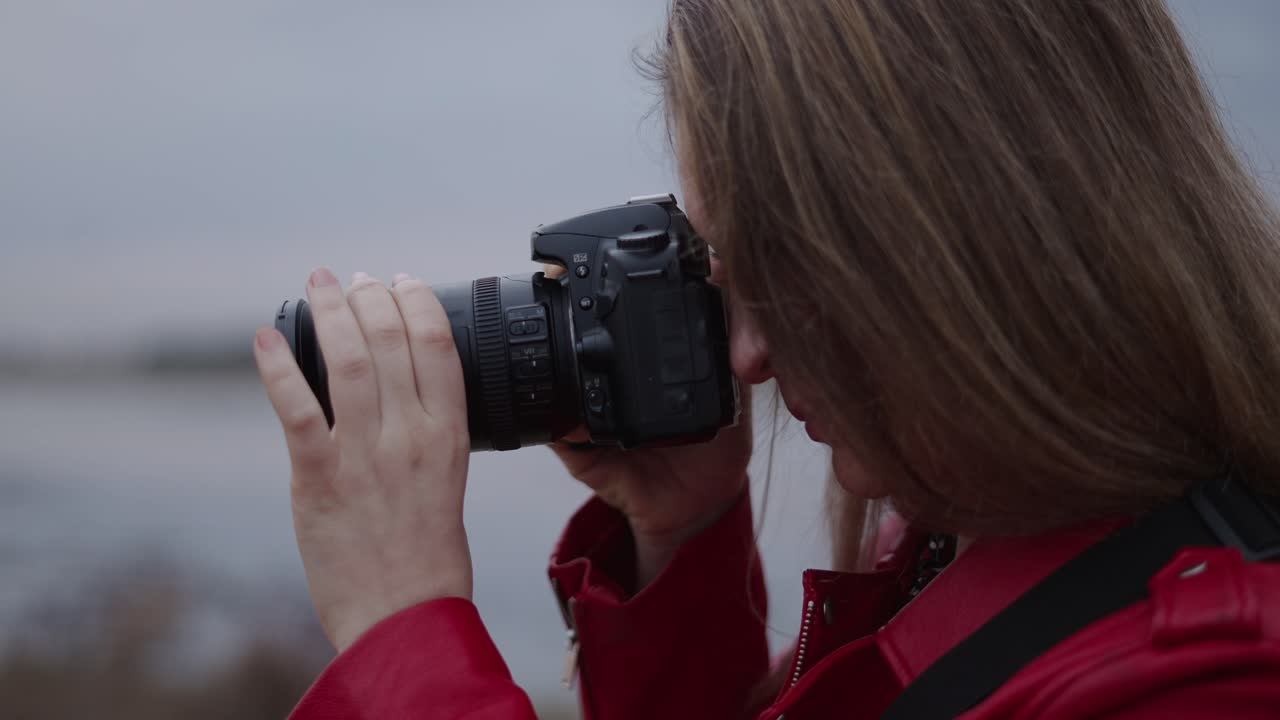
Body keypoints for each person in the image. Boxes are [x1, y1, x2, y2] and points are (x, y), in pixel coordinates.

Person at [253, 1, 1280, 718]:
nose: (744, 356)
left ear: (977, 249)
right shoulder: (964, 537)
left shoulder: (1207, 680)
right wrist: (682, 541)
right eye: (728, 274)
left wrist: (405, 634)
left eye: (792, 269)